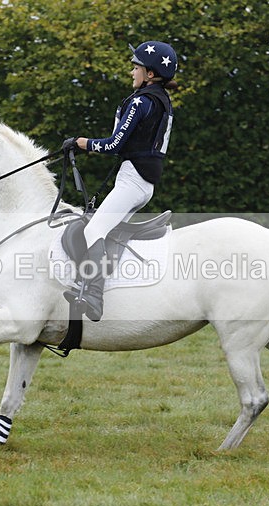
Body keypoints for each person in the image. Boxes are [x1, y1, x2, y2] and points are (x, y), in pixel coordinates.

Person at [62, 40, 178, 322]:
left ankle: (93, 295)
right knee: (104, 229)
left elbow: (114, 144)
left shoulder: (141, 101)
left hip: (133, 181)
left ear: (150, 74)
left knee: (94, 230)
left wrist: (80, 142)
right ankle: (98, 286)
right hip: (141, 181)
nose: (132, 72)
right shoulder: (160, 99)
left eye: (136, 66)